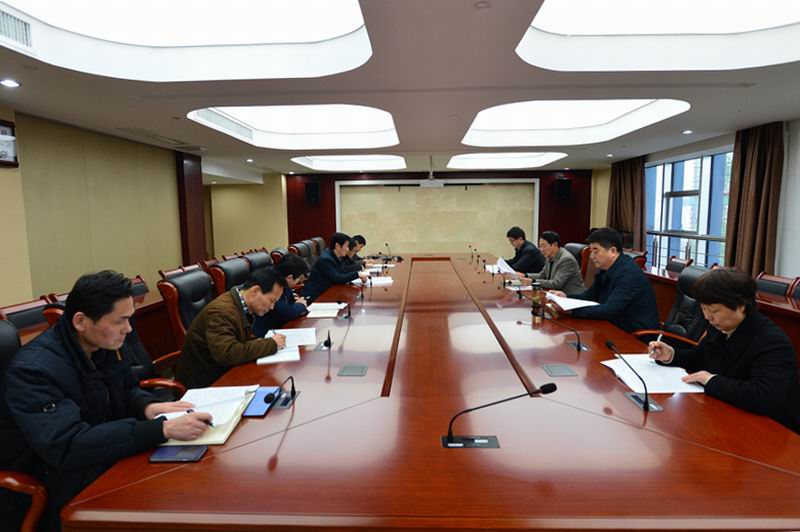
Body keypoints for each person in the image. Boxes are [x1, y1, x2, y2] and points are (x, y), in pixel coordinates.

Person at [0, 271, 210, 530]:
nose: (129, 329)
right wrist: (161, 429)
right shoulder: (33, 371)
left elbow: (126, 390)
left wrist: (147, 406)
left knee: (187, 485)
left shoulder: (101, 346)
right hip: (48, 482)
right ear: (81, 321)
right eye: (120, 320)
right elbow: (67, 444)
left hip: (99, 457)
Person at [649, 268, 800, 433]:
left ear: (741, 306)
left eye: (714, 311)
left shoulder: (772, 342)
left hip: (770, 430)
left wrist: (711, 380)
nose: (707, 317)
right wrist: (671, 354)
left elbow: (763, 396)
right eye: (704, 309)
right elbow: (699, 357)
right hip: (729, 415)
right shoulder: (720, 326)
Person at [176, 268, 288, 389]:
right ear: (255, 291)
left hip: (220, 372)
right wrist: (270, 344)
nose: (272, 307)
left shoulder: (239, 304)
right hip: (203, 384)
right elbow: (227, 354)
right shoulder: (222, 313)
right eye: (271, 301)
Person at [550, 227, 659, 333]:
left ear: (613, 251)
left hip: (634, 335)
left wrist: (571, 311)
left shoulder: (629, 274)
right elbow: (590, 295)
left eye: (595, 251)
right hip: (612, 326)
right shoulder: (605, 269)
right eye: (591, 251)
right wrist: (566, 296)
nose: (591, 256)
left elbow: (609, 310)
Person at [253, 254, 310, 337]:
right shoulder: (272, 284)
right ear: (290, 278)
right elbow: (285, 312)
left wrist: (296, 304)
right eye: (299, 279)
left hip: (280, 327)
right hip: (267, 334)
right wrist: (301, 305)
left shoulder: (282, 280)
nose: (299, 282)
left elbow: (290, 303)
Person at [302, 232, 369, 302]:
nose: (348, 249)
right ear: (338, 246)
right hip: (316, 296)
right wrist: (357, 274)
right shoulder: (326, 259)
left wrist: (358, 272)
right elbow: (337, 278)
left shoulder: (337, 256)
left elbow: (344, 270)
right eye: (346, 246)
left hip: (328, 292)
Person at [518, 230, 584, 294]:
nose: (542, 250)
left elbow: (556, 283)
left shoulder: (566, 259)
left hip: (572, 296)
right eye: (540, 246)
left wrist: (532, 281)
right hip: (556, 294)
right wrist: (525, 275)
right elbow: (542, 275)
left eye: (544, 246)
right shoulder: (549, 256)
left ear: (555, 244)